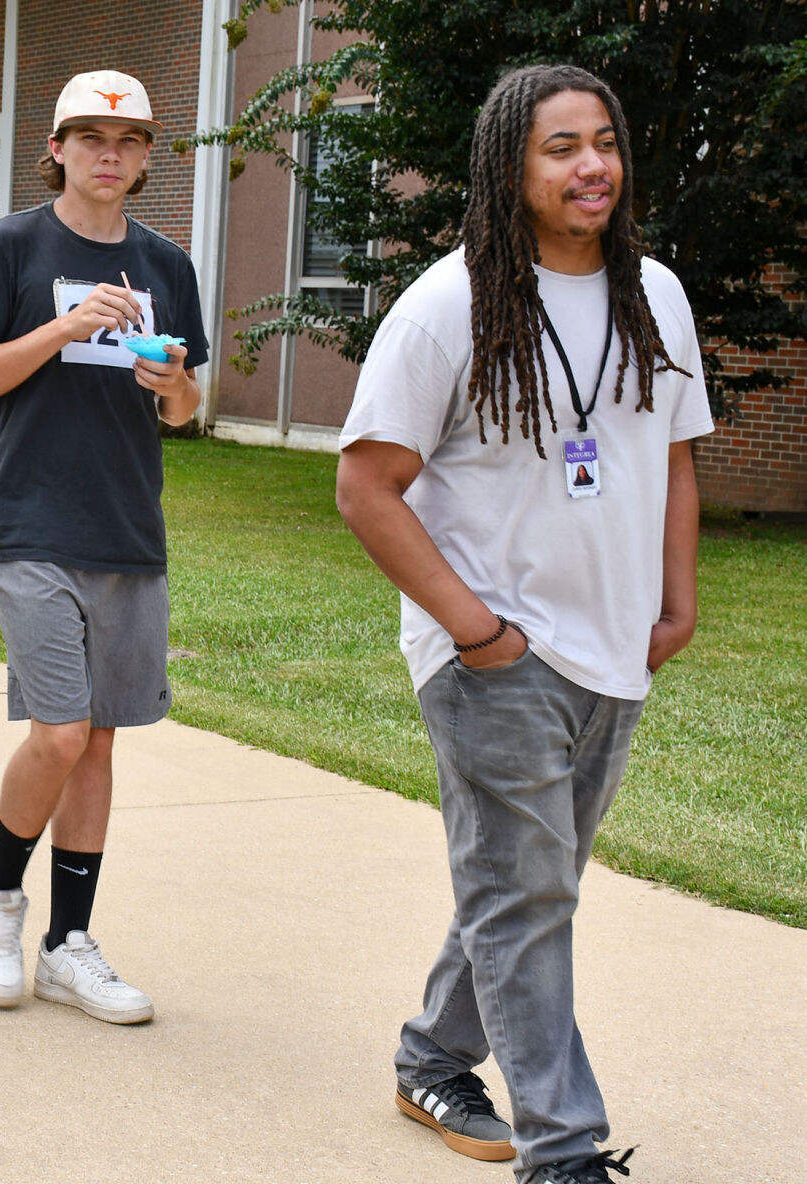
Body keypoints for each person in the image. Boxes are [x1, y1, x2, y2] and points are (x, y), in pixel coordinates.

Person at [335, 65, 711, 1184]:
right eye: (561, 147)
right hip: (491, 655)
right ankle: (563, 1147)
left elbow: (675, 456)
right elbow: (365, 485)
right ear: (510, 166)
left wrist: (675, 596)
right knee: (528, 888)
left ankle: (431, 1054)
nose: (592, 164)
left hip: (613, 649)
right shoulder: (446, 306)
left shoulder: (658, 295)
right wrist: (473, 627)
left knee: (528, 883)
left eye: (604, 142)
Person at [0, 71, 207, 1025]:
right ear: (55, 147)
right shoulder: (12, 244)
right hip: (30, 525)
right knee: (57, 730)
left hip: (129, 529)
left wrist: (170, 385)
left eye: (128, 139)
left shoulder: (166, 263)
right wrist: (62, 326)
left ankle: (68, 946)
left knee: (97, 741)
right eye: (89, 135)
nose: (109, 152)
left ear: (144, 157)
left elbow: (185, 409)